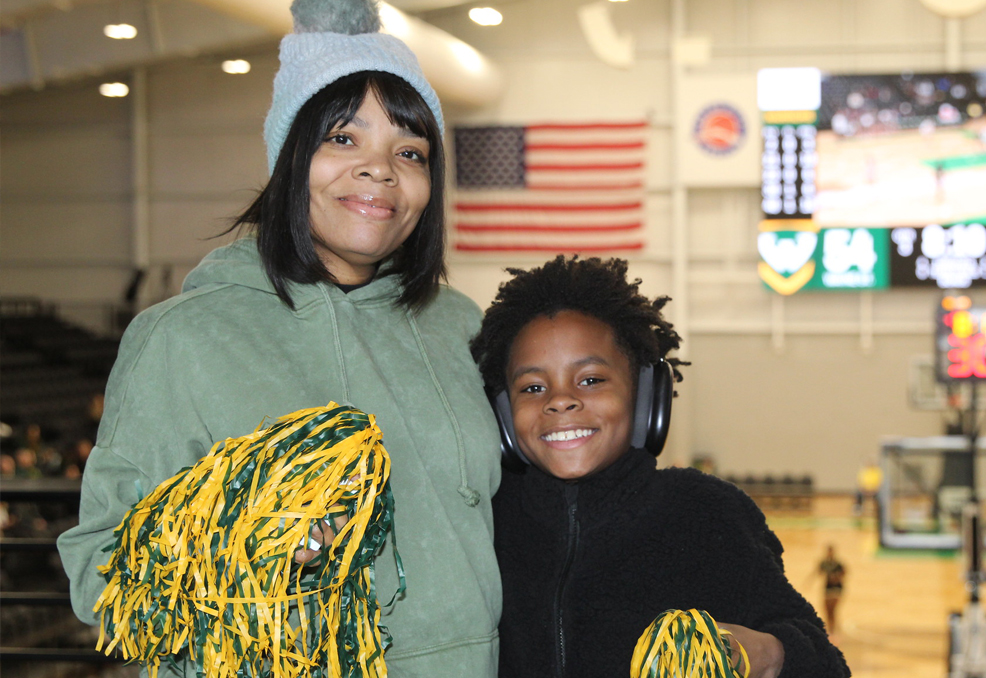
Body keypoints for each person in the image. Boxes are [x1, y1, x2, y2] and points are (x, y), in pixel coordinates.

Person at [56, 1, 501, 676]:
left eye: (409, 152)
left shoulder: (462, 325)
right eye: (343, 140)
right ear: (291, 157)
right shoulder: (180, 341)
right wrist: (243, 541)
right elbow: (104, 583)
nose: (379, 169)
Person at [470, 256, 849, 678]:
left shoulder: (706, 511)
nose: (560, 400)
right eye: (533, 387)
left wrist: (759, 655)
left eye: (591, 380)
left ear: (647, 396)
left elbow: (822, 661)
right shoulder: (485, 518)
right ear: (502, 413)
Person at [811, 545, 846, 636]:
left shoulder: (837, 564)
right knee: (827, 610)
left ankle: (833, 630)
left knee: (832, 610)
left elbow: (843, 574)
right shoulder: (825, 563)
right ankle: (832, 629)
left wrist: (835, 578)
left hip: (836, 589)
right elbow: (817, 572)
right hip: (827, 589)